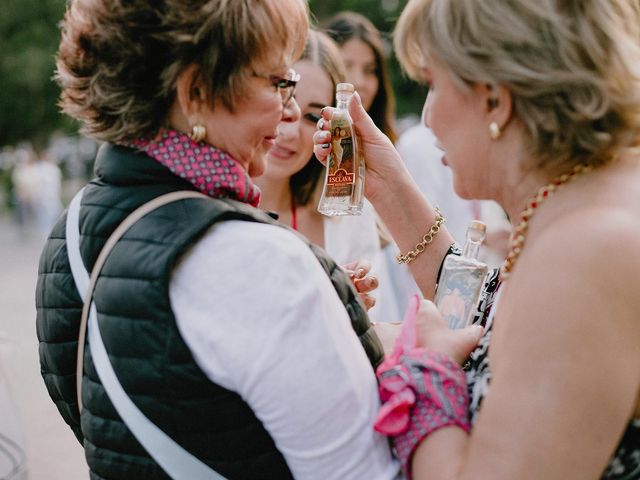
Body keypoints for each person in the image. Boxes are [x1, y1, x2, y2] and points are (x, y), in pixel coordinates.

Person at [36, 2, 399, 479]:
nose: (290, 110)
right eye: (276, 82)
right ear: (196, 92)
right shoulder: (257, 257)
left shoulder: (70, 228)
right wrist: (431, 365)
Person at [313, 0, 640, 478]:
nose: (426, 118)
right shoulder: (580, 199)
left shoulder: (587, 251)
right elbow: (480, 312)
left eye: (432, 84)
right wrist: (387, 185)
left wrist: (425, 370)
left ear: (493, 100)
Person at [255, 29, 400, 322]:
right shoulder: (204, 202)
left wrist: (351, 316)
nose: (290, 131)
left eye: (312, 117)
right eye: (283, 100)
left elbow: (378, 332)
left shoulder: (349, 220)